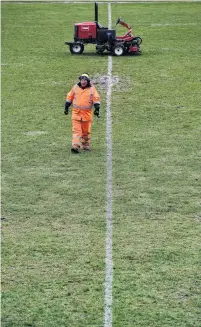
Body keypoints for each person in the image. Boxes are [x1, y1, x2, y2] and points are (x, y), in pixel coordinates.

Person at [64, 73, 100, 153]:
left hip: (87, 115)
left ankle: (85, 145)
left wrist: (97, 108)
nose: (83, 82)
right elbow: (70, 96)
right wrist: (66, 106)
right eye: (82, 80)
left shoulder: (92, 89)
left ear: (87, 81)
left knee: (86, 131)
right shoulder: (75, 87)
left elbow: (96, 99)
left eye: (85, 80)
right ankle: (75, 146)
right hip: (76, 114)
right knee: (76, 131)